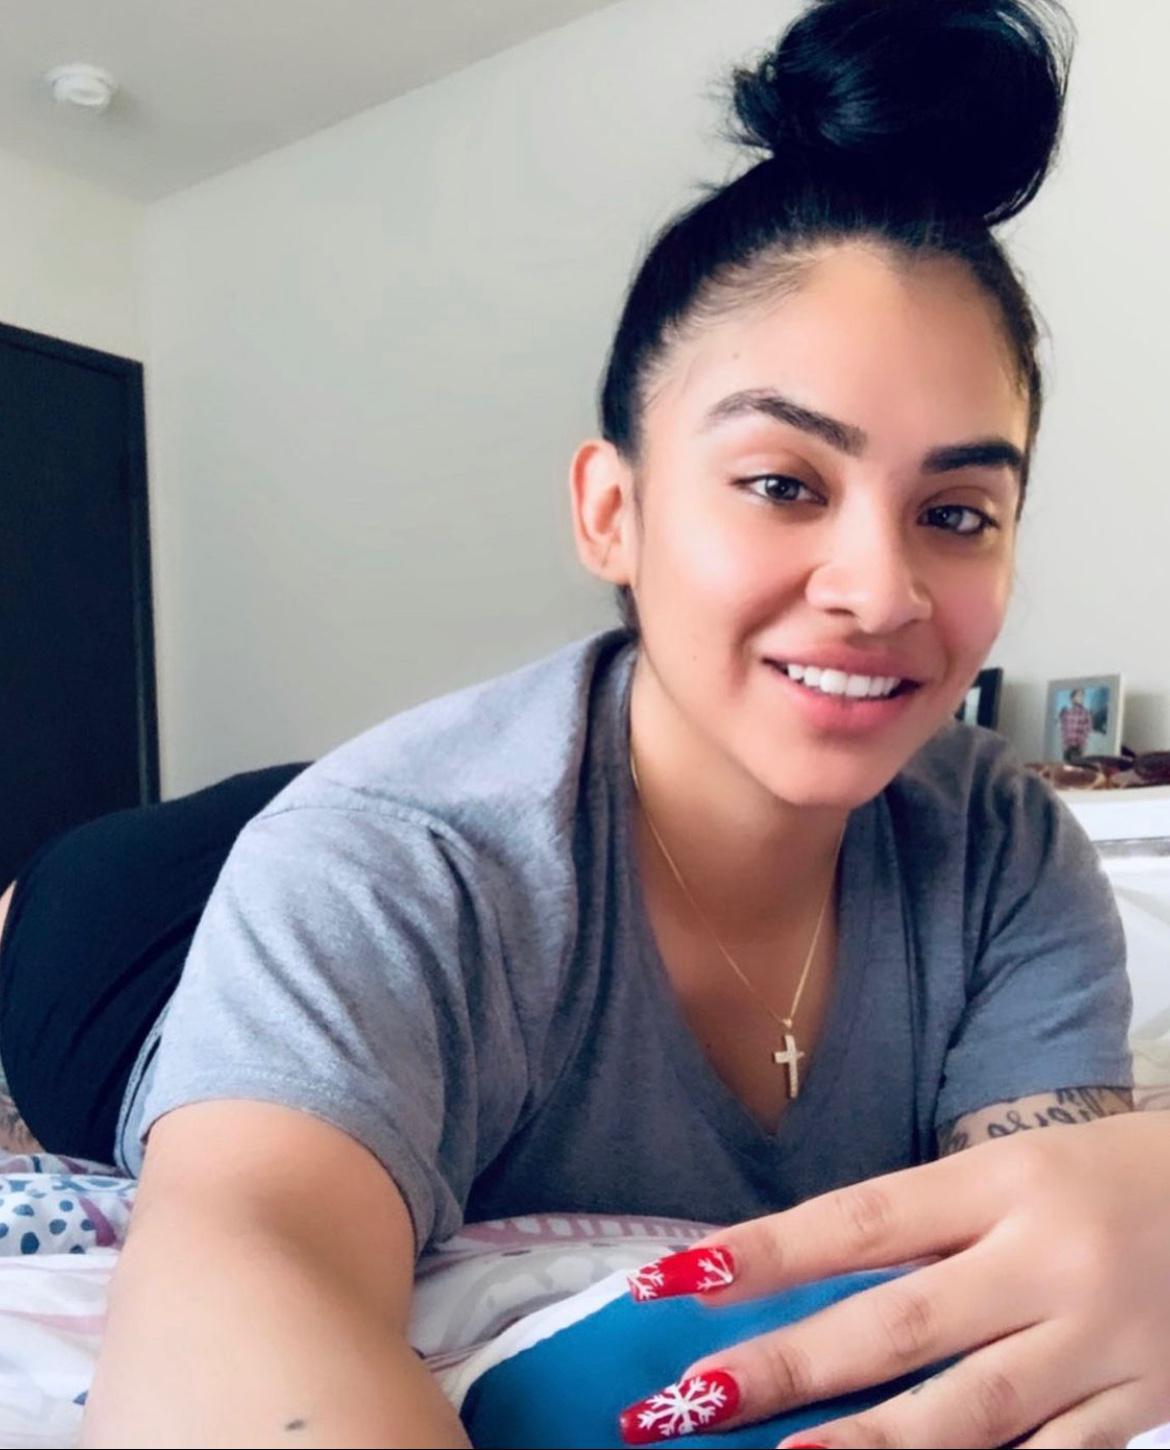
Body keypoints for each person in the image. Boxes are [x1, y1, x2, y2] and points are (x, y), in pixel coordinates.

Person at [0, 0, 1165, 1445]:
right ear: (611, 511)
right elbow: (244, 1272)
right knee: (87, 901)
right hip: (125, 945)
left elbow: (1043, 1228)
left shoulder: (999, 839)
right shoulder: (392, 853)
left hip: (530, 801)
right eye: (783, 483)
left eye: (957, 511)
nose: (880, 591)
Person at [1059, 686, 1094, 762]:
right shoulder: (1066, 713)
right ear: (1072, 697)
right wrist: (1064, 744)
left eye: (1082, 696)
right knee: (1066, 766)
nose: (1081, 698)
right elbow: (1063, 729)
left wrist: (1083, 746)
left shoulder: (1085, 713)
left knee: (1076, 766)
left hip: (1078, 748)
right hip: (1067, 747)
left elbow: (1087, 730)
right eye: (1079, 695)